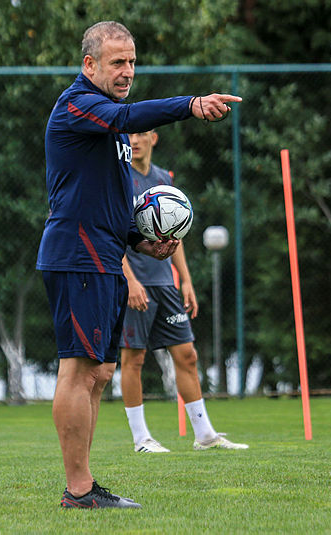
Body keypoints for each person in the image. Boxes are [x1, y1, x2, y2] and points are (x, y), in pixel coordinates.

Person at [36, 20, 241, 510]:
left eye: (132, 62)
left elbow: (103, 197)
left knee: (101, 372)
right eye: (117, 62)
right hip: (76, 254)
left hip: (105, 253)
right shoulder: (78, 104)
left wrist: (139, 241)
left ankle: (85, 487)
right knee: (79, 370)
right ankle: (79, 490)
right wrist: (190, 105)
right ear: (90, 65)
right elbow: (128, 117)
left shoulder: (107, 123)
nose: (127, 71)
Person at [120, 130, 249, 453]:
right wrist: (130, 281)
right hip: (135, 282)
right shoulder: (118, 176)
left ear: (154, 137)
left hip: (166, 283)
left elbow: (174, 234)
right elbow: (111, 232)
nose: (134, 140)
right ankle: (141, 439)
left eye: (140, 134)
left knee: (187, 355)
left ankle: (205, 435)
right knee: (134, 358)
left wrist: (186, 279)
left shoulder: (164, 179)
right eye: (129, 134)